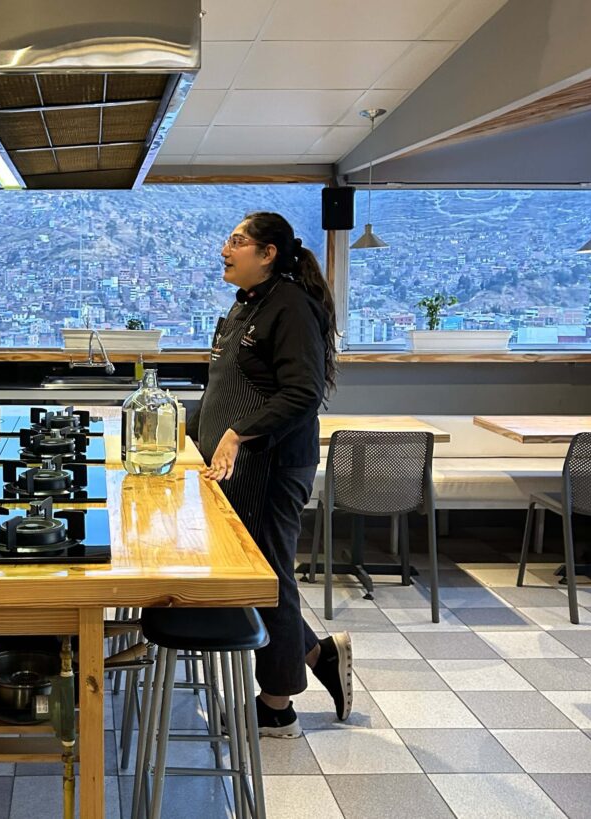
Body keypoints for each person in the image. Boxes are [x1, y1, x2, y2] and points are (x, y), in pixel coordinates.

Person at [188, 211, 351, 738]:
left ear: (268, 253)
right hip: (235, 465)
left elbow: (302, 394)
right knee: (255, 570)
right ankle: (314, 652)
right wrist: (191, 434)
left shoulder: (292, 308)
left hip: (273, 464)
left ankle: (277, 707)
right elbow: (226, 388)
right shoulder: (246, 305)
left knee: (266, 575)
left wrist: (237, 434)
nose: (224, 250)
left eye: (236, 241)